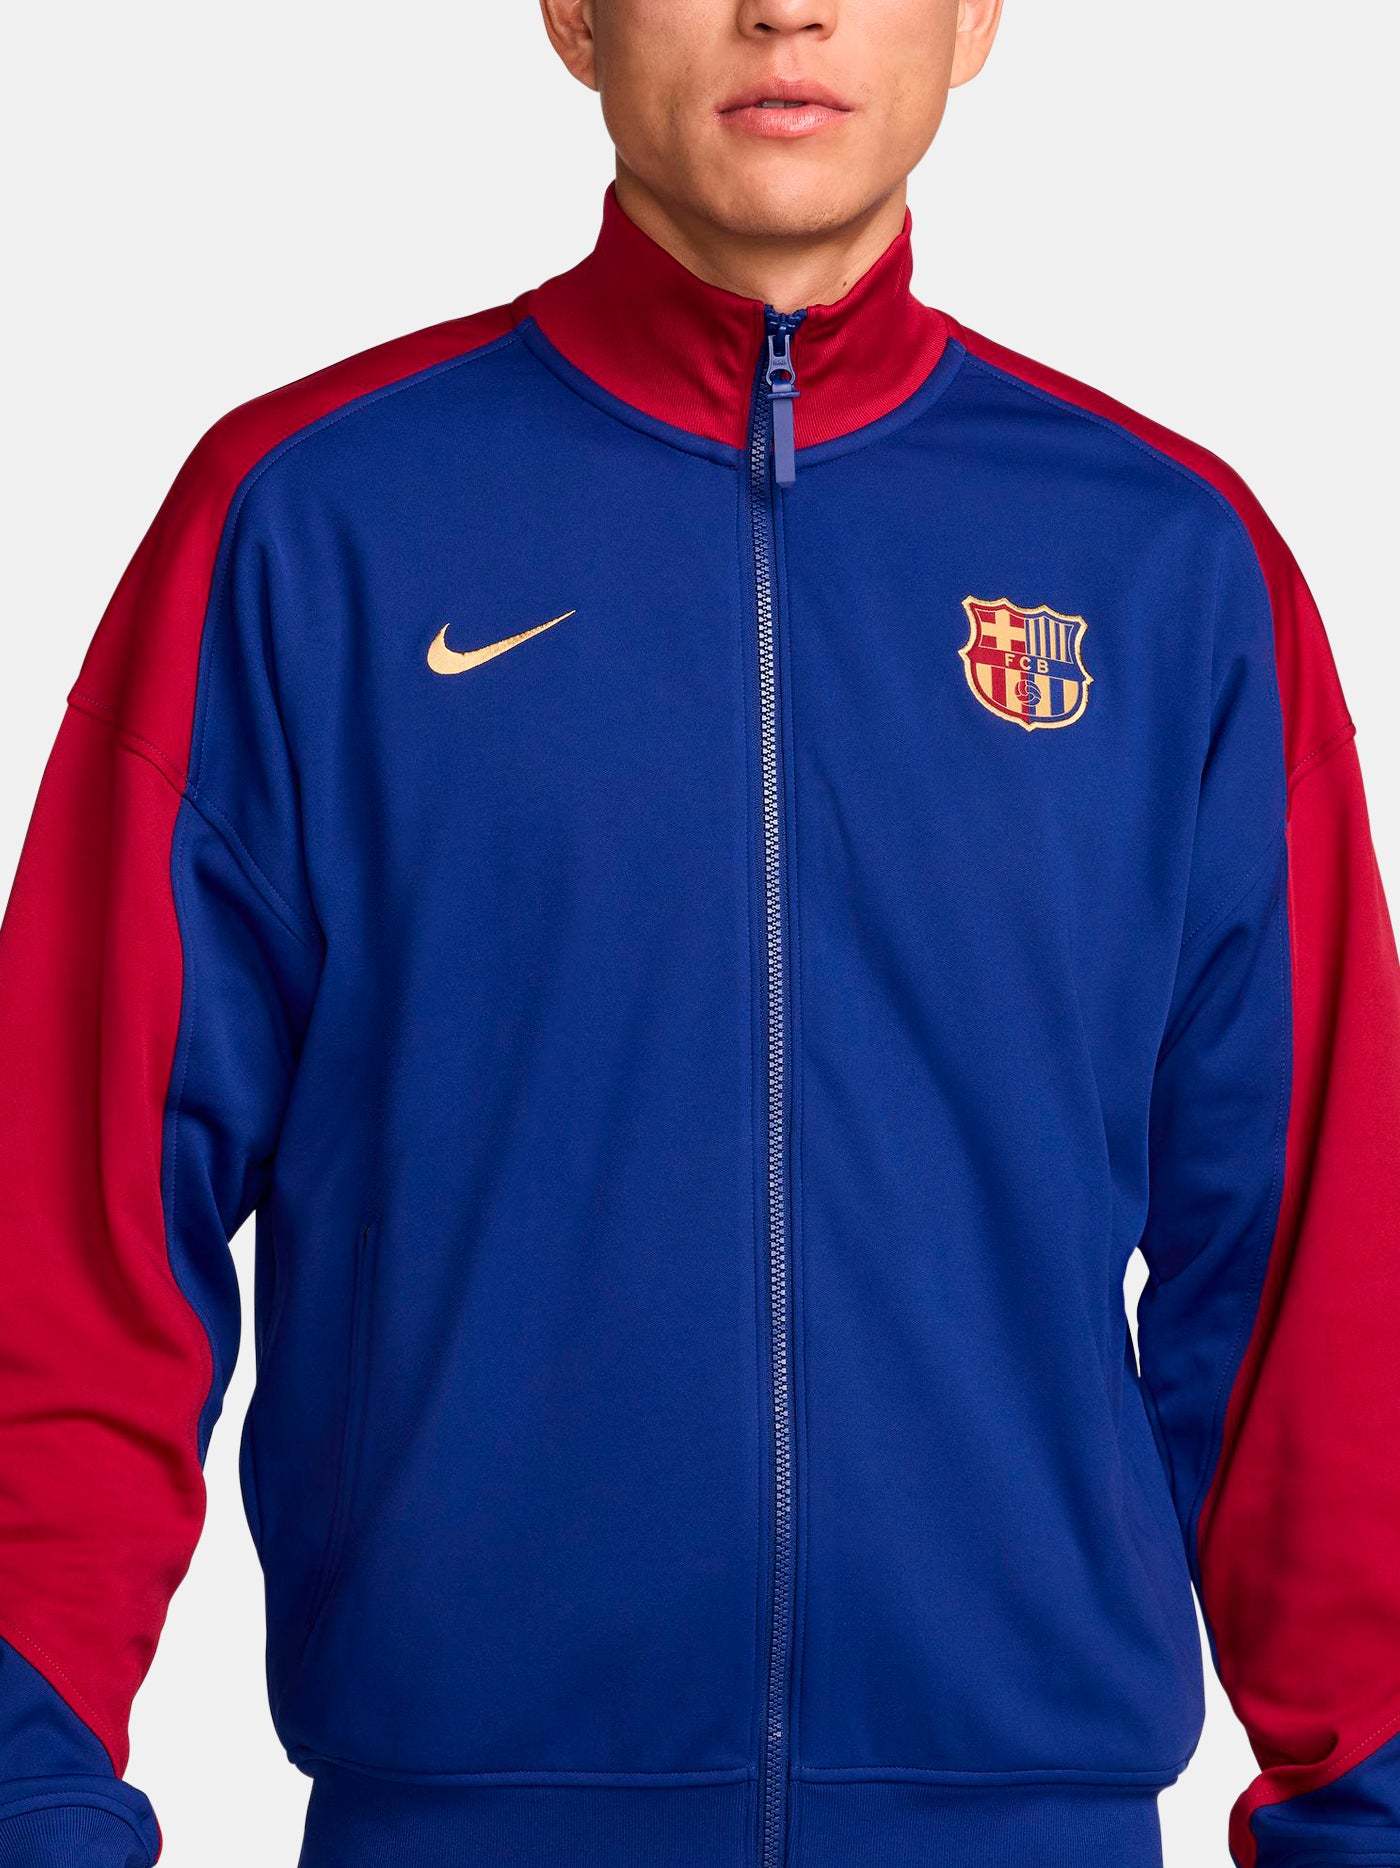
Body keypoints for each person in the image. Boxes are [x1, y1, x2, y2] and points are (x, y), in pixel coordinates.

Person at [1, 1, 1396, 1864]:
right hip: (461, 1825)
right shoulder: (310, 527)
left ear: (976, 18)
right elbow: (69, 1235)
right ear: (574, 14)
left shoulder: (1168, 568)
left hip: (1022, 1822)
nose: (783, 7)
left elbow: (1316, 1277)